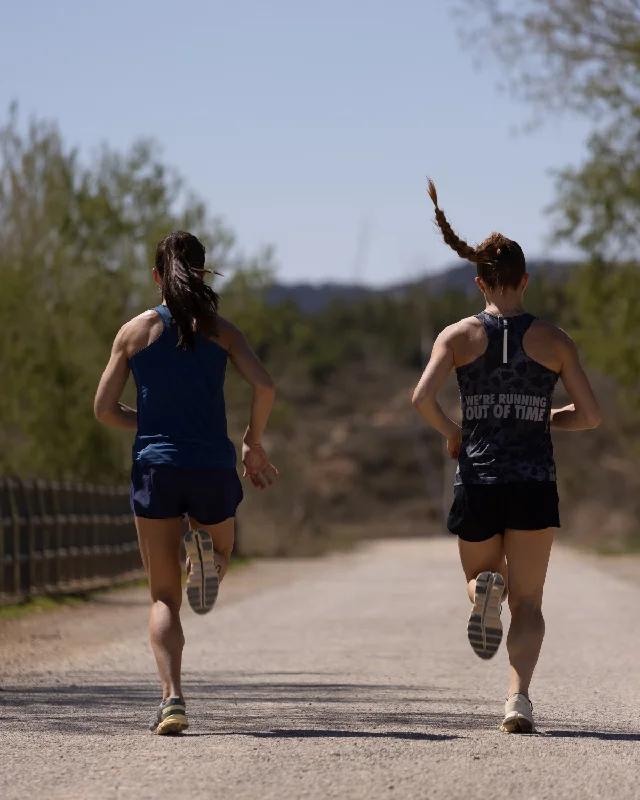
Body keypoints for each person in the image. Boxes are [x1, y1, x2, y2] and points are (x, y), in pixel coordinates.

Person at [412, 181, 601, 733]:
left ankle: (480, 592)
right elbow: (589, 416)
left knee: (480, 579)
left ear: (479, 281)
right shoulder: (553, 340)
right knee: (530, 602)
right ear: (524, 280)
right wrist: (546, 417)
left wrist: (452, 432)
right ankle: (518, 700)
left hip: (477, 478)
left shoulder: (458, 335)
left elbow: (421, 399)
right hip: (534, 481)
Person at [94, 230, 277, 735]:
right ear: (202, 272)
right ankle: (209, 560)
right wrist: (252, 441)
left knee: (162, 597)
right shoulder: (221, 331)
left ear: (158, 277)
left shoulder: (134, 333)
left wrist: (151, 423)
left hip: (156, 467)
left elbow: (103, 409)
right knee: (223, 551)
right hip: (211, 466)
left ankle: (172, 699)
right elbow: (264, 385)